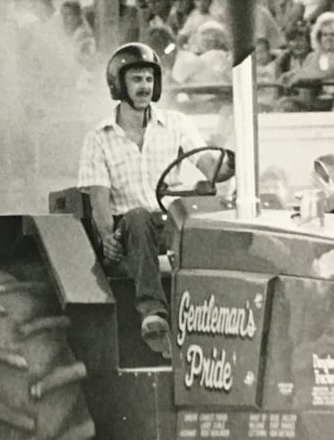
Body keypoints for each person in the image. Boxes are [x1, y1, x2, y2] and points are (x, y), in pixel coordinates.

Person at [77, 43, 231, 356]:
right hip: (126, 228)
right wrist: (106, 236)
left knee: (206, 222)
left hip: (168, 224)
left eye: (149, 78)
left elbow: (207, 164)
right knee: (137, 217)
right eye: (136, 79)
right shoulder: (98, 138)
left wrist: (229, 165)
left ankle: (218, 317)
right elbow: (100, 202)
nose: (144, 86)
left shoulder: (177, 124)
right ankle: (152, 313)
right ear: (119, 85)